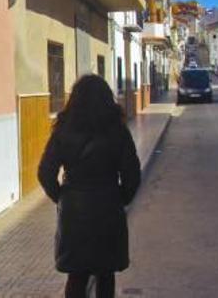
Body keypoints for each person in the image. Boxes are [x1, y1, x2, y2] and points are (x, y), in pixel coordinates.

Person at [38, 74, 142, 298]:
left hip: (74, 212)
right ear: (107, 99)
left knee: (76, 275)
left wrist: (64, 197)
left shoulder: (63, 130)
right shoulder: (117, 130)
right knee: (105, 274)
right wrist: (119, 198)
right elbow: (132, 175)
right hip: (108, 207)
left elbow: (45, 173)